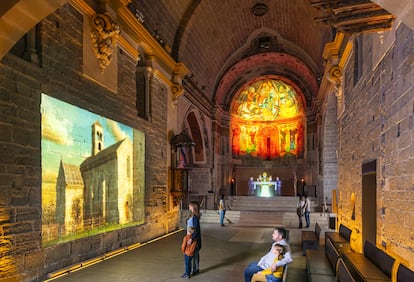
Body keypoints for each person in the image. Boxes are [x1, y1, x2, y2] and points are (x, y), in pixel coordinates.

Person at [187, 201, 201, 276]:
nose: (189, 206)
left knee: (194, 255)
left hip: (194, 239)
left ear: (193, 207)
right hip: (192, 238)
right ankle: (195, 269)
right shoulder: (193, 216)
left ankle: (195, 270)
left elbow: (195, 230)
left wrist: (191, 239)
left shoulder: (195, 218)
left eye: (190, 205)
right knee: (194, 255)